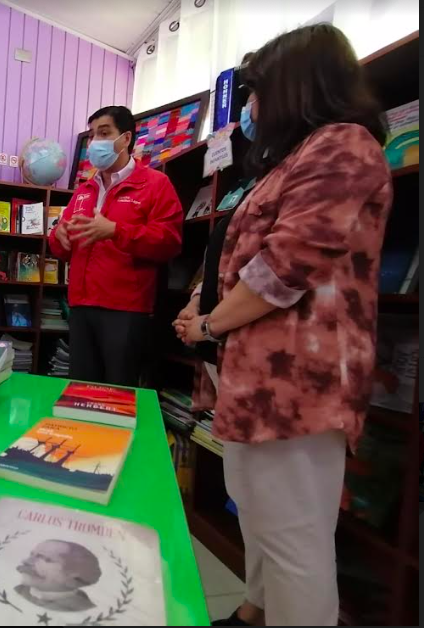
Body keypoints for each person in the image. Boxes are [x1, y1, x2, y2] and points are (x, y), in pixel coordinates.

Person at [174, 24, 393, 627]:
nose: (250, 106)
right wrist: (201, 305)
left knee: (296, 540)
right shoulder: (288, 160)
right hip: (256, 378)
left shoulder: (343, 145)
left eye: (257, 90)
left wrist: (209, 326)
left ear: (296, 85)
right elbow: (235, 254)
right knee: (258, 513)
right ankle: (255, 611)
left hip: (298, 383)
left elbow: (283, 267)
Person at [48, 106, 182, 386]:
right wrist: (59, 237)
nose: (95, 142)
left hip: (125, 310)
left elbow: (169, 242)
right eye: (92, 135)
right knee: (81, 391)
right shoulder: (84, 190)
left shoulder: (156, 184)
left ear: (126, 138)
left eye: (104, 133)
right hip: (81, 306)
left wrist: (116, 231)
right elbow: (61, 249)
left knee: (118, 394)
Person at [15, 540, 102, 613]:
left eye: (46, 559)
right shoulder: (18, 591)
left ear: (74, 575)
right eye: (32, 555)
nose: (26, 561)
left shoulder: (83, 609)